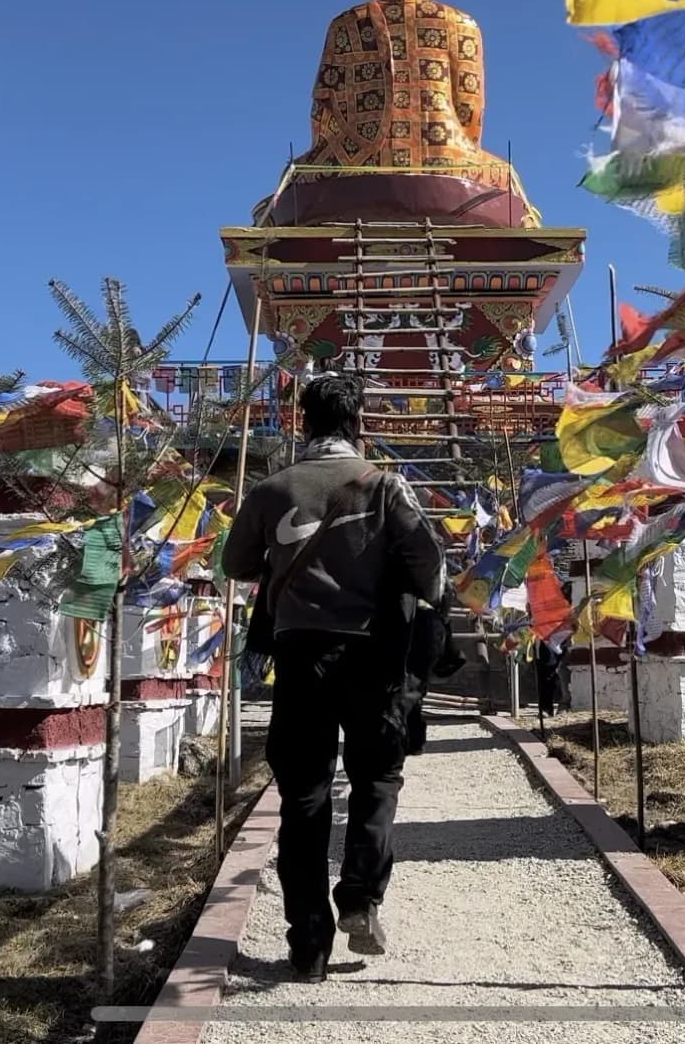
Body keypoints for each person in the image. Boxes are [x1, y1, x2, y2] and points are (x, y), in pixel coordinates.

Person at [221, 373, 445, 981]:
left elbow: (235, 563)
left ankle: (308, 944)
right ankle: (360, 896)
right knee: (376, 775)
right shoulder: (385, 486)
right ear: (358, 420)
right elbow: (428, 562)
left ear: (303, 421)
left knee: (303, 794)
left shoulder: (272, 488)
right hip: (374, 653)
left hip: (299, 655)